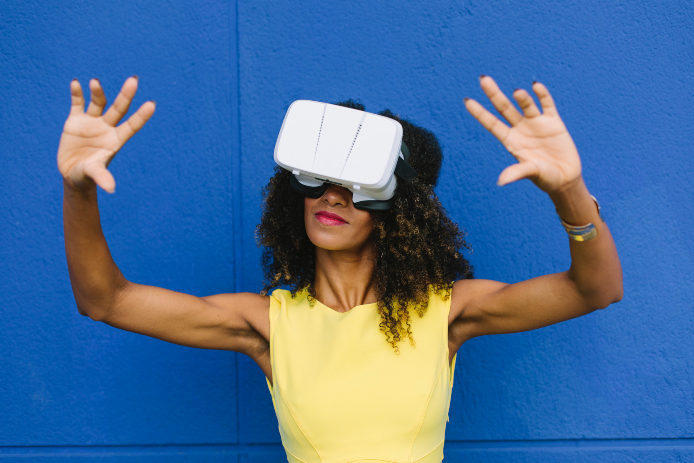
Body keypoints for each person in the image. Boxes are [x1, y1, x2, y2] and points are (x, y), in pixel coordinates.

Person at [58, 75, 623, 462]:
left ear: (398, 208)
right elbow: (104, 299)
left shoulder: (446, 312)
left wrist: (569, 189)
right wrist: (78, 189)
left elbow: (595, 288)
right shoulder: (269, 324)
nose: (334, 197)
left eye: (360, 186)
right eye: (320, 180)